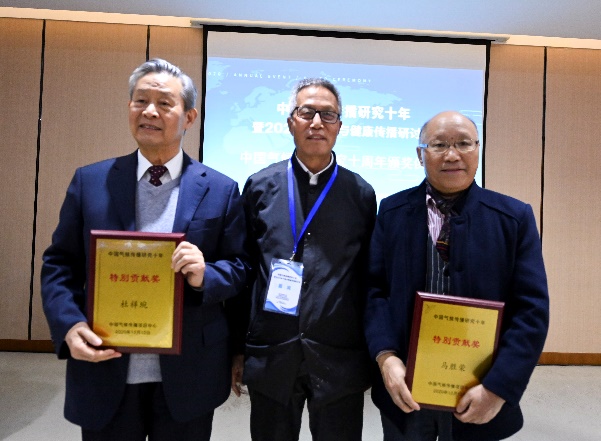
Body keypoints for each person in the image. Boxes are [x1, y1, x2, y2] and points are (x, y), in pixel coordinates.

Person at [41, 58, 248, 441]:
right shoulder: (90, 181)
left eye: (164, 103)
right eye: (140, 101)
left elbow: (240, 266)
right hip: (107, 364)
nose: (150, 111)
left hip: (189, 372)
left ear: (189, 117)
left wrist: (207, 274)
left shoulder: (221, 189)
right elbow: (60, 265)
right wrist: (69, 324)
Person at [364, 110, 550, 441]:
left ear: (478, 149)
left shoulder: (513, 218)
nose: (452, 155)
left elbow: (531, 311)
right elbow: (375, 292)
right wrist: (386, 357)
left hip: (480, 385)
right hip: (407, 385)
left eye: (463, 143)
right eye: (439, 145)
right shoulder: (392, 212)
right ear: (420, 154)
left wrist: (498, 387)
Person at [229, 78, 377, 441]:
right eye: (307, 112)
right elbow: (244, 272)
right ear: (290, 122)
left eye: (328, 115)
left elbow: (367, 280)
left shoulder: (360, 193)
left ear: (339, 126)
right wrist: (236, 349)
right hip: (273, 352)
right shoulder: (260, 186)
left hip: (338, 357)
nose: (317, 123)